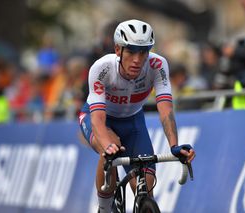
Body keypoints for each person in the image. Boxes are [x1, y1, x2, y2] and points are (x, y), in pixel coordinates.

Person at [78, 19, 196, 212]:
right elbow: (98, 120)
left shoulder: (158, 65)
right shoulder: (102, 68)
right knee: (109, 148)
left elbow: (166, 109)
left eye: (143, 52)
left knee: (146, 186)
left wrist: (174, 145)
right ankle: (105, 208)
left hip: (133, 122)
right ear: (118, 50)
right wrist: (107, 146)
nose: (137, 59)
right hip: (98, 118)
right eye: (131, 51)